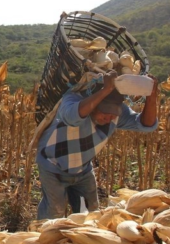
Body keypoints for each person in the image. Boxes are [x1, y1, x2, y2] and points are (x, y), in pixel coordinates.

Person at [36, 70, 159, 220]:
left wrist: (151, 96)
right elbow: (72, 117)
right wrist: (106, 89)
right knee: (54, 212)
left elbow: (146, 125)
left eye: (113, 113)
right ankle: (42, 237)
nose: (109, 118)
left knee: (90, 214)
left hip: (82, 168)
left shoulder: (116, 114)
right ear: (94, 102)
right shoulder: (72, 99)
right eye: (104, 112)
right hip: (53, 166)